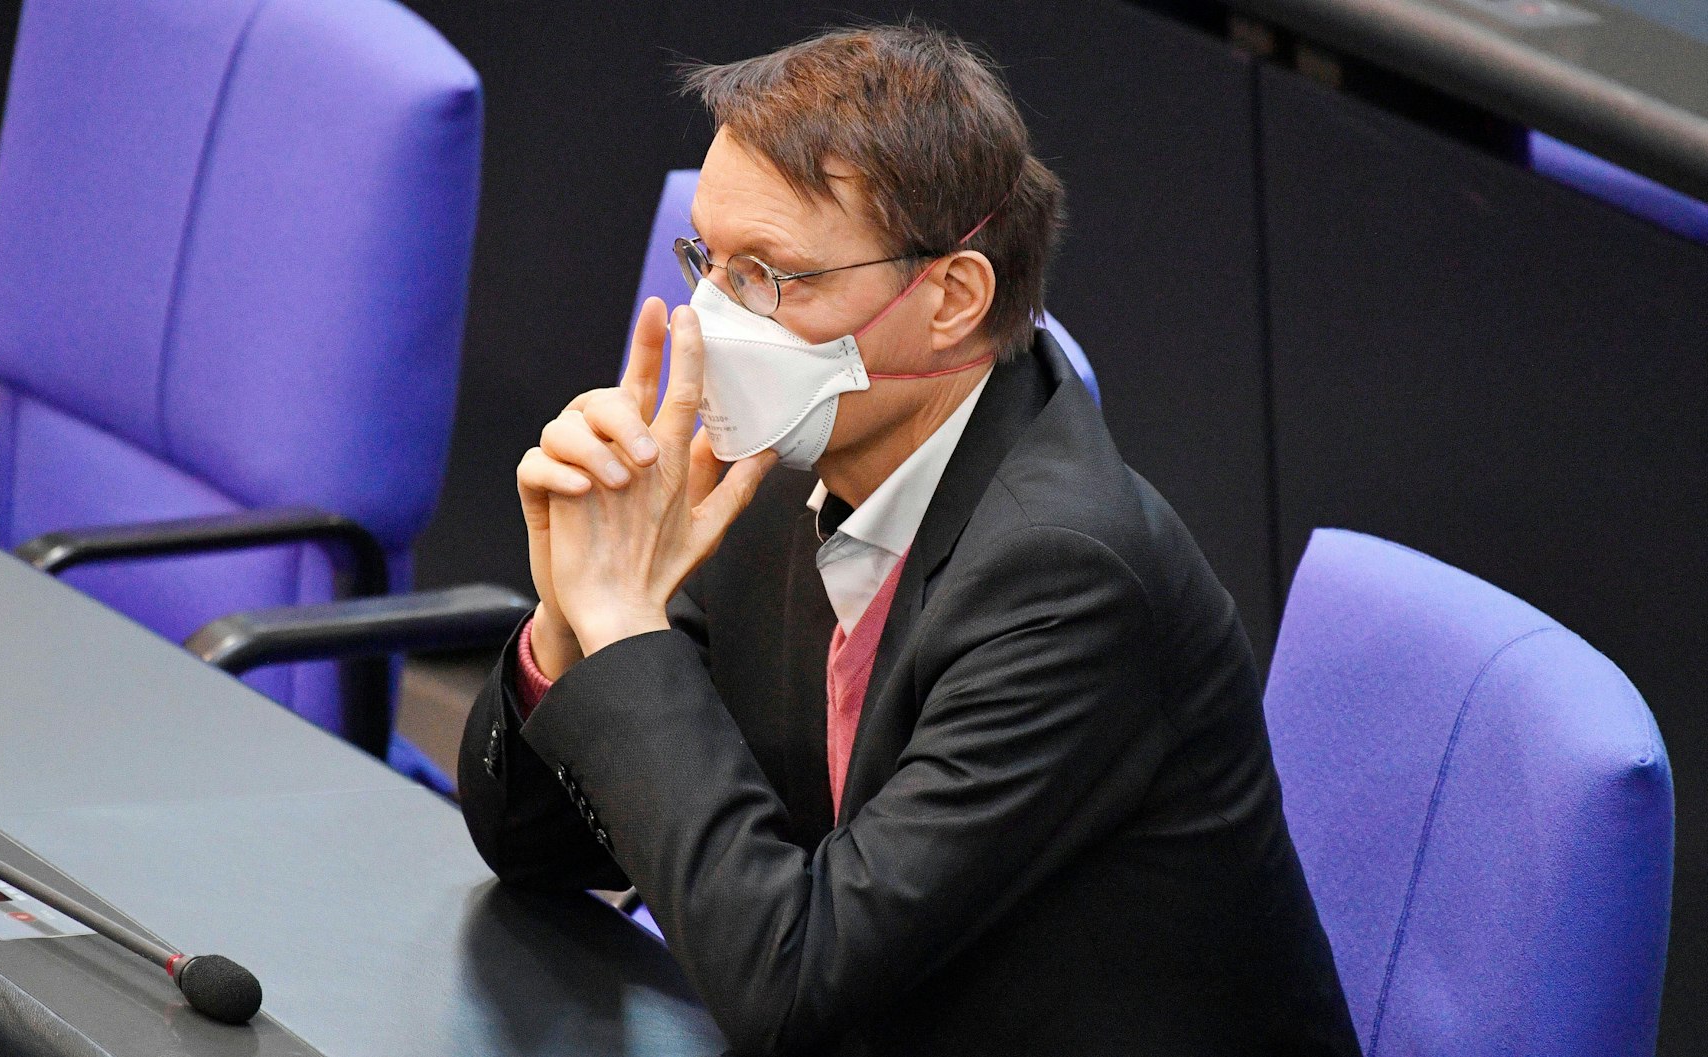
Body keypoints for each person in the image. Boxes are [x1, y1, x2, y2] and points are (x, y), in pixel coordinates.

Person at [457, 21, 1361, 1057]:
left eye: (771, 277)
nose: (712, 321)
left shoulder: (1064, 580)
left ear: (949, 298)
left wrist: (626, 627)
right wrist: (567, 625)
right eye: (707, 260)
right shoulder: (772, 469)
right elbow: (532, 849)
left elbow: (789, 980)